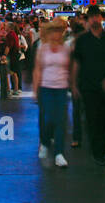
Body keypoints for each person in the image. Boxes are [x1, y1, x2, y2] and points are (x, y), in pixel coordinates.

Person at [73, 6, 105, 166]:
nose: (94, 19)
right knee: (92, 119)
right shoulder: (82, 40)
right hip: (88, 85)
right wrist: (73, 84)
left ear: (101, 18)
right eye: (91, 17)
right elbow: (76, 63)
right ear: (88, 19)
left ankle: (100, 149)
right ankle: (97, 152)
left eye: (96, 16)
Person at [32, 18, 75, 168]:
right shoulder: (42, 48)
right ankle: (44, 141)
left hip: (61, 88)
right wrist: (35, 89)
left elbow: (70, 67)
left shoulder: (66, 48)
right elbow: (37, 69)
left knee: (60, 120)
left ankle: (59, 153)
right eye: (53, 32)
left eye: (58, 32)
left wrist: (72, 84)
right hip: (46, 87)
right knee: (47, 118)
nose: (56, 35)